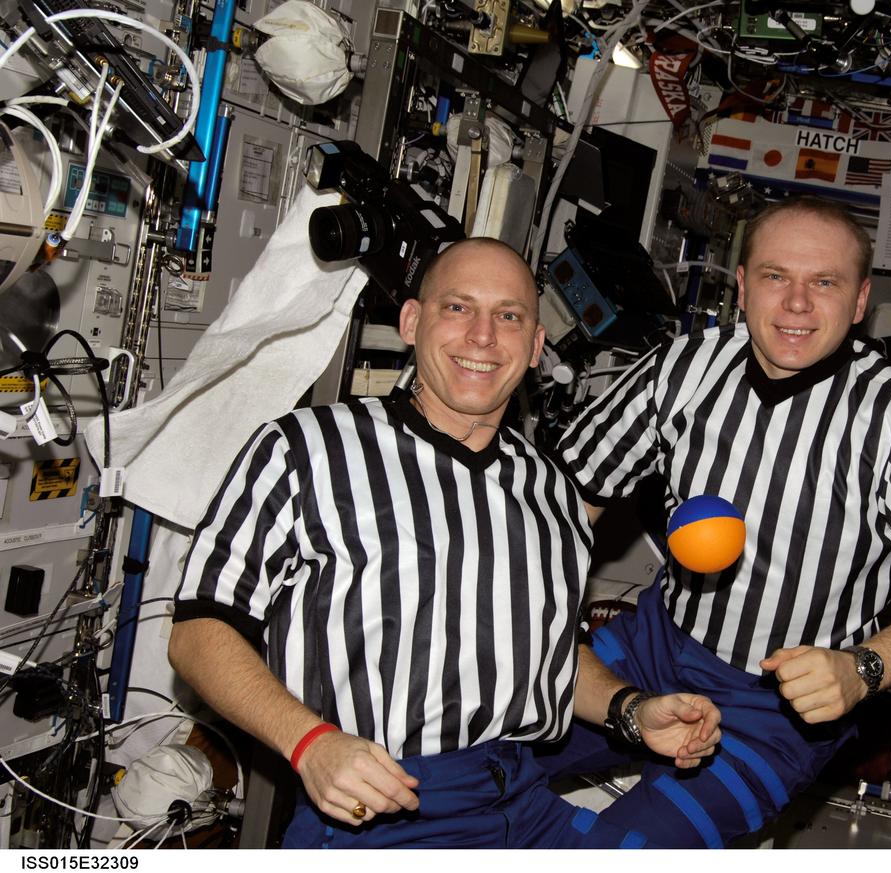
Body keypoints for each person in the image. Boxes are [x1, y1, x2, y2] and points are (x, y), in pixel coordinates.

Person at [168, 237, 721, 849]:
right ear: (411, 321)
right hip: (380, 810)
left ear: (536, 346)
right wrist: (309, 742)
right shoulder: (306, 450)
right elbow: (198, 633)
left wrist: (630, 710)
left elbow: (551, 657)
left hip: (521, 799)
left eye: (509, 316)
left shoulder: (552, 494)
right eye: (458, 307)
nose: (483, 336)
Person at [537, 196, 891, 847]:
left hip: (777, 712)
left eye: (825, 282)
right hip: (653, 645)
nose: (798, 303)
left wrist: (863, 667)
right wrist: (532, 617)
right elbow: (564, 498)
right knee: (474, 751)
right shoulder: (684, 366)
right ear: (745, 284)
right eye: (777, 276)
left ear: (861, 300)